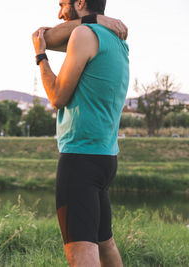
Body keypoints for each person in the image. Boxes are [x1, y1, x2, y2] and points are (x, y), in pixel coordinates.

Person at [32, 0, 129, 266]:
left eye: (63, 3)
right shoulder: (114, 38)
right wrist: (95, 20)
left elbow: (58, 96)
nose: (59, 12)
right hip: (105, 157)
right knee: (104, 242)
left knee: (80, 252)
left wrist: (41, 58)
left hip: (79, 157)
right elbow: (44, 35)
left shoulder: (84, 35)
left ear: (81, 2)